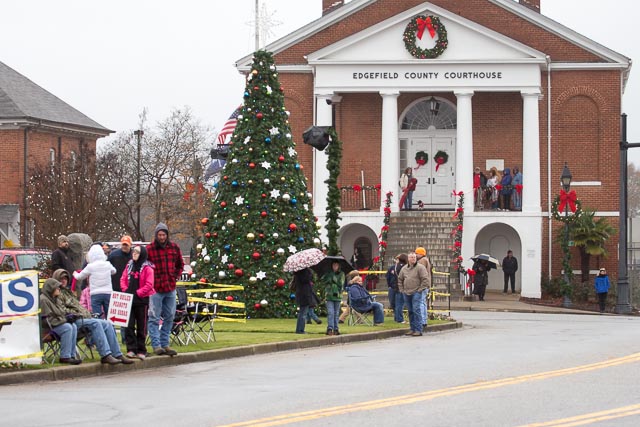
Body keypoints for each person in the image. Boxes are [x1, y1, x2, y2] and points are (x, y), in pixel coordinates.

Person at [51, 269, 134, 365]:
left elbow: (79, 306)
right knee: (96, 323)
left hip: (83, 318)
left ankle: (117, 354)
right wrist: (79, 313)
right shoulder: (56, 293)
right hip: (72, 321)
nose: (63, 280)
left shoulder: (68, 292)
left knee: (107, 323)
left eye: (65, 278)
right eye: (61, 278)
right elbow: (63, 311)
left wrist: (86, 313)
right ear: (56, 279)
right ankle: (105, 355)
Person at [147, 222, 184, 356]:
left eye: (164, 234)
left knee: (170, 316)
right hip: (155, 288)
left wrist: (176, 275)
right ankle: (156, 345)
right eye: (159, 235)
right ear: (156, 235)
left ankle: (165, 343)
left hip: (170, 287)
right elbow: (144, 266)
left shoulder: (174, 248)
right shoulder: (150, 249)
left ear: (167, 235)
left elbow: (180, 264)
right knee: (154, 317)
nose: (162, 237)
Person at [120, 245, 156, 359]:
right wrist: (125, 289)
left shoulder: (147, 268)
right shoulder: (129, 265)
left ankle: (141, 349)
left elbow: (149, 284)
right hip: (129, 300)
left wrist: (139, 292)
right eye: (133, 251)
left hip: (142, 301)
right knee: (128, 325)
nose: (134, 253)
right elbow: (123, 279)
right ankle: (131, 349)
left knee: (141, 326)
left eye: (137, 252)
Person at [40, 278, 81, 364]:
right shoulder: (43, 300)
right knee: (68, 327)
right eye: (57, 287)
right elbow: (47, 319)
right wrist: (64, 320)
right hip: (48, 328)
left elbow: (62, 312)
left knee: (73, 326)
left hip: (57, 324)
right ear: (51, 288)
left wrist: (70, 317)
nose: (59, 289)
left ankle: (71, 355)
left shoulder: (55, 299)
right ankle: (65, 357)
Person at [73, 244, 116, 318]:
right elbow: (114, 271)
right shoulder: (107, 264)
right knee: (110, 317)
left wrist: (75, 274)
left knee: (97, 316)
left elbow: (80, 277)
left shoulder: (90, 266)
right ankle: (111, 329)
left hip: (95, 293)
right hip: (108, 293)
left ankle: (100, 328)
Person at [397, 252, 429, 336]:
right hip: (406, 292)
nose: (413, 259)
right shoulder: (404, 268)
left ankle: (418, 330)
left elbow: (425, 279)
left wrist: (420, 290)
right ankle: (412, 328)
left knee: (416, 310)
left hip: (416, 292)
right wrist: (401, 290)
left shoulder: (420, 268)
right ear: (408, 259)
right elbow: (400, 279)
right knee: (410, 311)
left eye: (414, 257)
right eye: (411, 257)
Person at [321, 261, 345, 336]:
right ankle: (330, 328)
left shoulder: (341, 274)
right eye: (333, 265)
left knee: (336, 313)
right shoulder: (328, 273)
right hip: (329, 295)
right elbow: (323, 280)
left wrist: (334, 280)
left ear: (339, 266)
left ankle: (336, 328)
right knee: (330, 312)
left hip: (337, 296)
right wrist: (328, 278)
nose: (335, 266)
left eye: (336, 265)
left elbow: (341, 284)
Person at [386, 254, 406, 323]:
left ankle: (399, 319)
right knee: (393, 303)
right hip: (392, 288)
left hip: (400, 288)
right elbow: (388, 277)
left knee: (399, 304)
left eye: (398, 259)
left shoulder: (404, 267)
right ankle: (396, 318)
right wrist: (389, 285)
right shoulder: (392, 268)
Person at [415, 247, 432, 327]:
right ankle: (424, 320)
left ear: (420, 254)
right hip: (426, 284)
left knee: (421, 302)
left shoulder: (422, 261)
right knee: (424, 302)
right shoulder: (426, 260)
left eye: (417, 253)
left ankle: (421, 320)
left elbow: (419, 272)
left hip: (422, 284)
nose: (415, 254)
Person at [293, 267, 314, 334]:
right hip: (304, 294)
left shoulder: (298, 272)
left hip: (301, 294)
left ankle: (299, 329)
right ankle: (300, 330)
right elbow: (305, 280)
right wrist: (310, 273)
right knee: (303, 313)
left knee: (302, 313)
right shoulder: (303, 272)